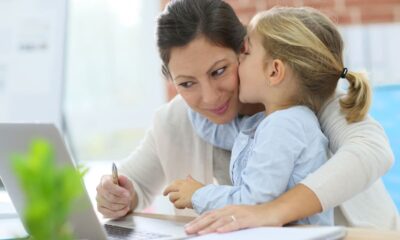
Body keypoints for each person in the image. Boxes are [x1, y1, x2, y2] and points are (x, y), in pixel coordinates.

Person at [95, 0, 399, 231]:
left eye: (219, 71)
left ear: (243, 50)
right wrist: (119, 195)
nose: (210, 97)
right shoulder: (178, 118)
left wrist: (270, 210)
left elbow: (372, 151)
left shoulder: (308, 95)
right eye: (187, 83)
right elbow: (133, 182)